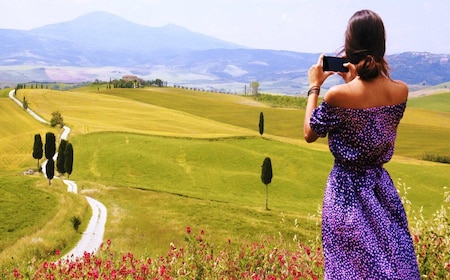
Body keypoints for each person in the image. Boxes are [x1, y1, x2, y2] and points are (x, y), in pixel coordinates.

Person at [303, 10, 420, 279]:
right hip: (381, 191)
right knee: (393, 265)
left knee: (350, 270)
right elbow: (371, 116)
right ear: (382, 45)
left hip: (346, 194)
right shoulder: (400, 91)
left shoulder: (338, 96)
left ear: (348, 48)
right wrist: (352, 82)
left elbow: (310, 132)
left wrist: (314, 87)